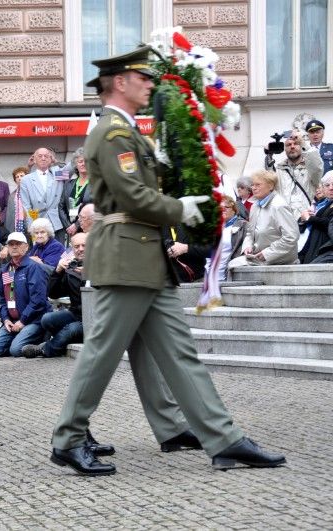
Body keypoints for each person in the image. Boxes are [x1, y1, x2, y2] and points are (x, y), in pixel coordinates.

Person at [50, 46, 285, 477]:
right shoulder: (111, 132)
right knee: (101, 352)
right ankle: (68, 438)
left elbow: (149, 184)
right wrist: (184, 209)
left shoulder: (129, 132)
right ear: (119, 83)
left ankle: (222, 438)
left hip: (144, 258)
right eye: (142, 78)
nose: (149, 85)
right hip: (125, 256)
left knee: (178, 354)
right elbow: (132, 195)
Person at [22, 232, 87, 359]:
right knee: (47, 319)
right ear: (72, 249)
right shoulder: (71, 267)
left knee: (71, 329)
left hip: (97, 318)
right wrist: (58, 271)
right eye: (77, 246)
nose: (81, 249)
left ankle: (46, 349)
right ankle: (63, 340)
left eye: (84, 245)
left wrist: (89, 273)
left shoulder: (101, 265)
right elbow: (53, 293)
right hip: (76, 313)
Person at [0, 232, 50, 357]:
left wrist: (22, 321)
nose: (14, 247)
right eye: (11, 244)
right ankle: (18, 337)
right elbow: (3, 297)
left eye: (18, 244)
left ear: (26, 247)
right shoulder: (6, 270)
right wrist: (5, 319)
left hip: (33, 320)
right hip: (12, 320)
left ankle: (43, 339)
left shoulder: (33, 268)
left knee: (16, 351)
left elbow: (38, 300)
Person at [228, 170, 299, 268]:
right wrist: (248, 246)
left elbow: (291, 237)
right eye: (252, 185)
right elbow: (250, 232)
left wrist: (267, 254)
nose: (253, 188)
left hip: (280, 260)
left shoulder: (279, 206)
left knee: (233, 265)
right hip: (258, 257)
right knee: (232, 265)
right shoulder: (255, 206)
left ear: (270, 186)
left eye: (258, 185)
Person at [273, 131, 323, 220]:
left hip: (305, 220)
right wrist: (269, 155)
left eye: (296, 144)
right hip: (284, 220)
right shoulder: (278, 170)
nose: (292, 146)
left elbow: (317, 166)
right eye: (288, 145)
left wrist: (304, 143)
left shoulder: (310, 169)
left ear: (301, 146)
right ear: (285, 149)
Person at [20, 148, 65, 241]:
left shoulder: (57, 174)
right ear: (34, 159)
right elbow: (27, 206)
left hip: (57, 221)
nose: (43, 158)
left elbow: (71, 169)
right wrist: (32, 224)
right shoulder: (26, 179)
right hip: (38, 222)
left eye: (46, 156)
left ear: (50, 159)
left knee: (59, 252)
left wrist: (55, 162)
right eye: (40, 156)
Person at [207, 195, 247, 280]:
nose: (222, 210)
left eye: (226, 207)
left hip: (228, 276)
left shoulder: (242, 225)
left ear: (234, 210)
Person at [298, 172, 333, 263]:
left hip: (324, 249)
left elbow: (329, 223)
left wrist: (309, 219)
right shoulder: (321, 204)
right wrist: (302, 218)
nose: (331, 188)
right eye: (327, 185)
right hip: (309, 246)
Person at [59, 148, 92, 238]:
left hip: (89, 229)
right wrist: (68, 226)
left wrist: (76, 225)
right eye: (80, 161)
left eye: (86, 161)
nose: (83, 164)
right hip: (70, 230)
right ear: (75, 164)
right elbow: (61, 207)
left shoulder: (95, 183)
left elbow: (95, 206)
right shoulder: (69, 183)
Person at [5, 166, 29, 235]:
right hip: (16, 230)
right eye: (17, 177)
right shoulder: (12, 196)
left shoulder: (33, 192)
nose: (19, 178)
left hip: (31, 226)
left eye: (21, 175)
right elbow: (9, 216)